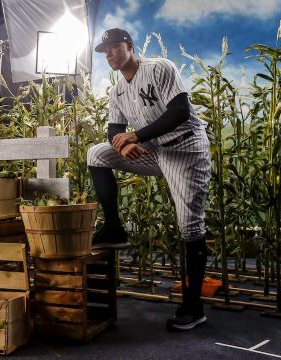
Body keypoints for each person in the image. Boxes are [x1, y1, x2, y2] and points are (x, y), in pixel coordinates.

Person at [87, 28, 211, 331]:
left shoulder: (159, 68)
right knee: (97, 154)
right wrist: (124, 143)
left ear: (128, 46)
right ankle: (115, 228)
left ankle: (194, 307)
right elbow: (114, 128)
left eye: (114, 47)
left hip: (185, 149)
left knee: (189, 227)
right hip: (153, 150)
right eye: (104, 51)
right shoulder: (118, 89)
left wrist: (136, 135)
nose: (109, 55)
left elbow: (180, 111)